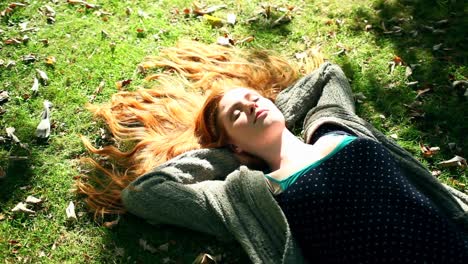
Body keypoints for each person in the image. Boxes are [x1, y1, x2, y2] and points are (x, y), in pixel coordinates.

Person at [78, 40, 468, 263]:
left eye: (253, 98)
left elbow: (329, 73)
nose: (250, 105)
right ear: (232, 143)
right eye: (237, 112)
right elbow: (146, 193)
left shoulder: (333, 126)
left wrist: (277, 115)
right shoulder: (247, 193)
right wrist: (233, 156)